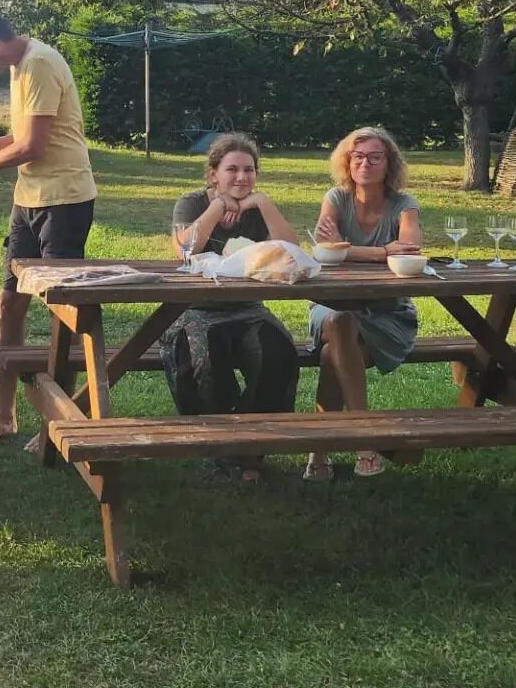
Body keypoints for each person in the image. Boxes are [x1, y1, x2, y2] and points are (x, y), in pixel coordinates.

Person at [0, 7, 97, 450]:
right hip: (27, 202)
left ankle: (56, 421)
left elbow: (35, 146)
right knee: (9, 303)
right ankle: (5, 416)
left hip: (64, 201)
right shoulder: (18, 67)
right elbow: (26, 135)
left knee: (58, 312)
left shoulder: (40, 63)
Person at [166, 135, 303, 482]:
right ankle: (217, 442)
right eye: (231, 170)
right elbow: (185, 250)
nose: (242, 177)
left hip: (248, 308)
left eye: (249, 170)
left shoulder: (257, 208)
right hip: (197, 309)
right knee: (205, 362)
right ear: (213, 174)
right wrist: (217, 206)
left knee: (279, 354)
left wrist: (265, 205)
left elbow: (292, 252)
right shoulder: (192, 202)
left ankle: (251, 445)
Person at [305, 125, 423, 482]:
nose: (365, 163)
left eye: (375, 157)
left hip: (388, 313)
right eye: (358, 157)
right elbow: (324, 253)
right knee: (340, 321)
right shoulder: (336, 198)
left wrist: (350, 249)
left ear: (389, 164)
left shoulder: (404, 205)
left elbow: (412, 252)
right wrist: (383, 252)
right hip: (332, 306)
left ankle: (319, 452)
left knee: (330, 355)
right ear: (347, 162)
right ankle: (364, 441)